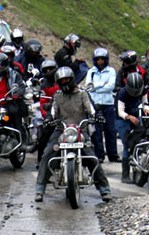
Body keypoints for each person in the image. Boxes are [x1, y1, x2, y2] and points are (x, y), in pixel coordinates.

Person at [34, 66, 112, 203]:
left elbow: (91, 109)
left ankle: (104, 189)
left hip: (80, 130)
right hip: (61, 130)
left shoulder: (82, 94)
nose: (65, 82)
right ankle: (40, 189)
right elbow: (52, 111)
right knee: (47, 154)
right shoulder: (57, 96)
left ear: (72, 79)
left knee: (91, 156)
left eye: (67, 79)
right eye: (62, 80)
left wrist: (97, 115)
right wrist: (48, 119)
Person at [86, 48, 120, 162]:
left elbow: (111, 86)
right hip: (95, 105)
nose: (100, 61)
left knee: (111, 130)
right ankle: (99, 155)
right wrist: (101, 84)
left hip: (108, 104)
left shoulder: (111, 71)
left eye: (103, 59)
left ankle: (113, 155)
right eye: (98, 59)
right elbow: (88, 86)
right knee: (96, 132)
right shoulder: (91, 72)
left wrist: (96, 87)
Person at [116, 72, 149, 183]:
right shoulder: (122, 93)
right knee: (127, 144)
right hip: (122, 119)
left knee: (139, 141)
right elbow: (120, 111)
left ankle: (137, 170)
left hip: (135, 116)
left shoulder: (143, 89)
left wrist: (146, 110)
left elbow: (145, 103)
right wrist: (128, 117)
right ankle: (125, 175)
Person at [35, 60, 59, 163]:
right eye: (46, 70)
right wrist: (47, 117)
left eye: (51, 69)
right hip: (51, 115)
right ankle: (41, 161)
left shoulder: (63, 80)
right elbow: (42, 102)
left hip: (66, 114)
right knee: (43, 138)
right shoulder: (44, 85)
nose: (49, 71)